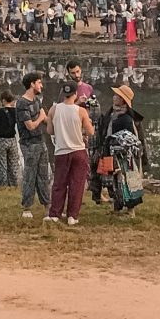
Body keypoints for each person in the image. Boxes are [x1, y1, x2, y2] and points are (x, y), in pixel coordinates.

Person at [46, 83, 93, 225]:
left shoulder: (53, 110)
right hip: (78, 151)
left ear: (62, 93)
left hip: (61, 151)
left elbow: (50, 131)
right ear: (76, 94)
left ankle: (55, 213)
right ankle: (73, 215)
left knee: (59, 183)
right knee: (77, 184)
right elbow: (90, 131)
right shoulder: (81, 111)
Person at [105, 84, 147, 216]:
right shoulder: (113, 114)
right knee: (115, 182)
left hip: (125, 156)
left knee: (128, 181)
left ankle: (131, 210)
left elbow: (131, 140)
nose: (114, 97)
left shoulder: (127, 119)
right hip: (113, 152)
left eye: (117, 96)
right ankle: (117, 207)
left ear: (123, 100)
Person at [16, 72, 51, 218]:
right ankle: (26, 207)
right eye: (39, 82)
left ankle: (48, 207)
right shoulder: (22, 103)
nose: (41, 85)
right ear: (32, 84)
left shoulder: (37, 100)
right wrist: (41, 117)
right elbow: (30, 126)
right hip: (29, 144)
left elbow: (46, 120)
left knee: (44, 175)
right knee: (30, 175)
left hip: (40, 141)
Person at [0, 91, 21, 188]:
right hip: (12, 140)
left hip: (1, 140)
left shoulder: (1, 111)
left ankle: (2, 184)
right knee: (13, 163)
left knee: (2, 163)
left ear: (4, 100)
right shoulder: (15, 111)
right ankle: (14, 184)